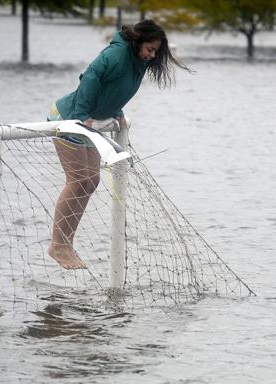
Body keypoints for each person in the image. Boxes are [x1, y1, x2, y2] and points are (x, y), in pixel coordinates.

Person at [47, 19, 189, 269]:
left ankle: (65, 244)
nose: (151, 55)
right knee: (78, 180)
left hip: (89, 121)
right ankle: (58, 245)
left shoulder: (139, 61)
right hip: (69, 117)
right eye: (149, 49)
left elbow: (116, 86)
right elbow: (90, 76)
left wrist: (116, 109)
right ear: (137, 41)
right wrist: (80, 115)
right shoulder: (116, 53)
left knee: (91, 181)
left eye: (155, 51)